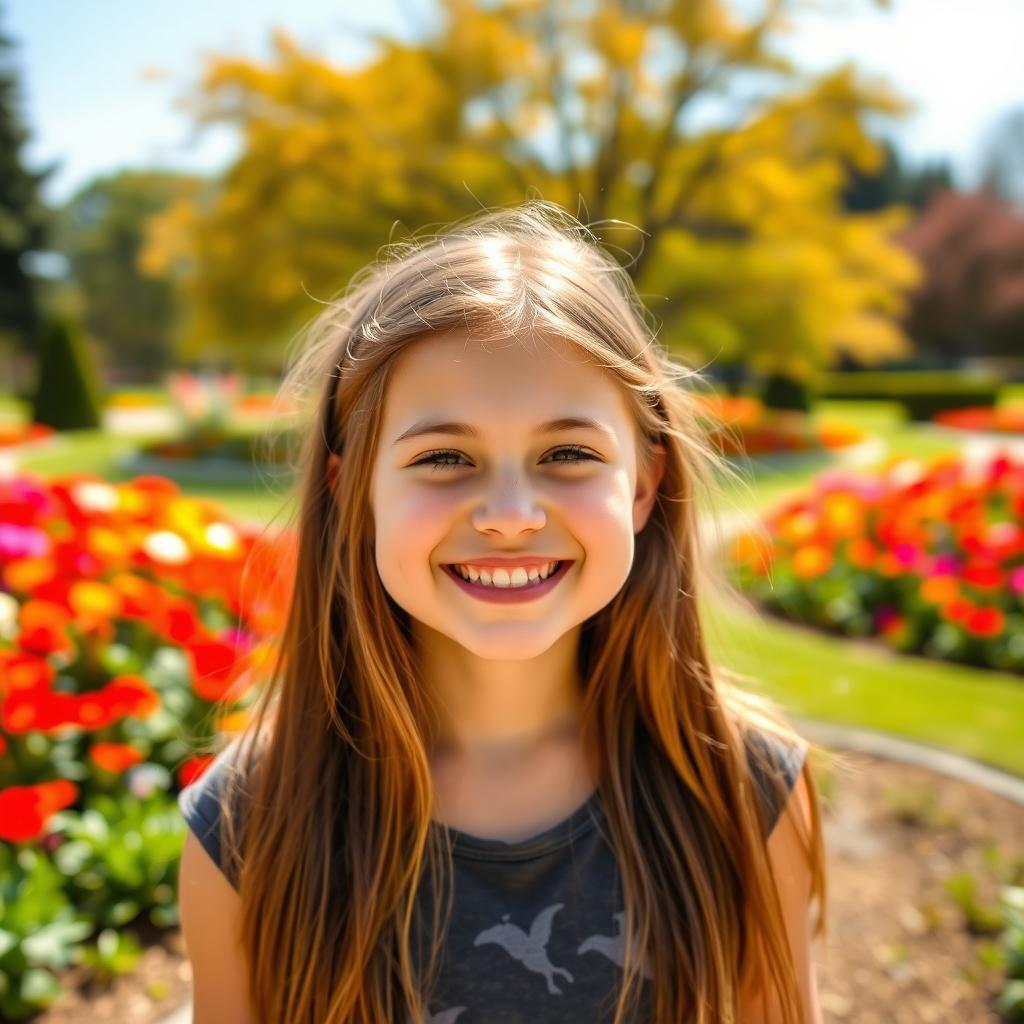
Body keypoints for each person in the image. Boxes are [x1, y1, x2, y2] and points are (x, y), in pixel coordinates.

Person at [177, 200, 828, 1024]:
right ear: (354, 494)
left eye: (567, 454)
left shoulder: (746, 789)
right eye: (444, 457)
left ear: (641, 485)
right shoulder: (247, 822)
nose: (511, 513)